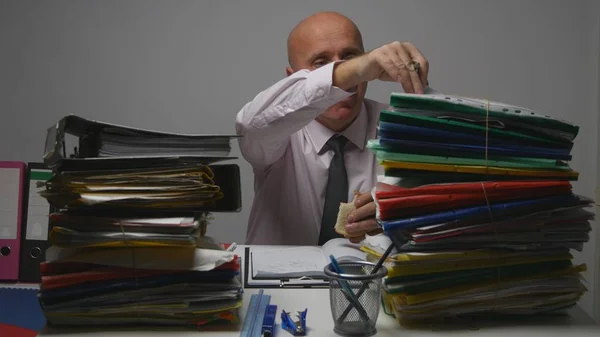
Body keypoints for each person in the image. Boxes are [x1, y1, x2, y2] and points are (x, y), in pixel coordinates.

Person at [235, 11, 430, 245]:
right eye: (320, 63)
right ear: (293, 77)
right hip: (277, 280)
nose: (345, 79)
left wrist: (400, 213)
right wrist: (350, 72)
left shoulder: (398, 127)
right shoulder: (276, 131)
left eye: (351, 57)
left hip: (370, 278)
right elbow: (250, 125)